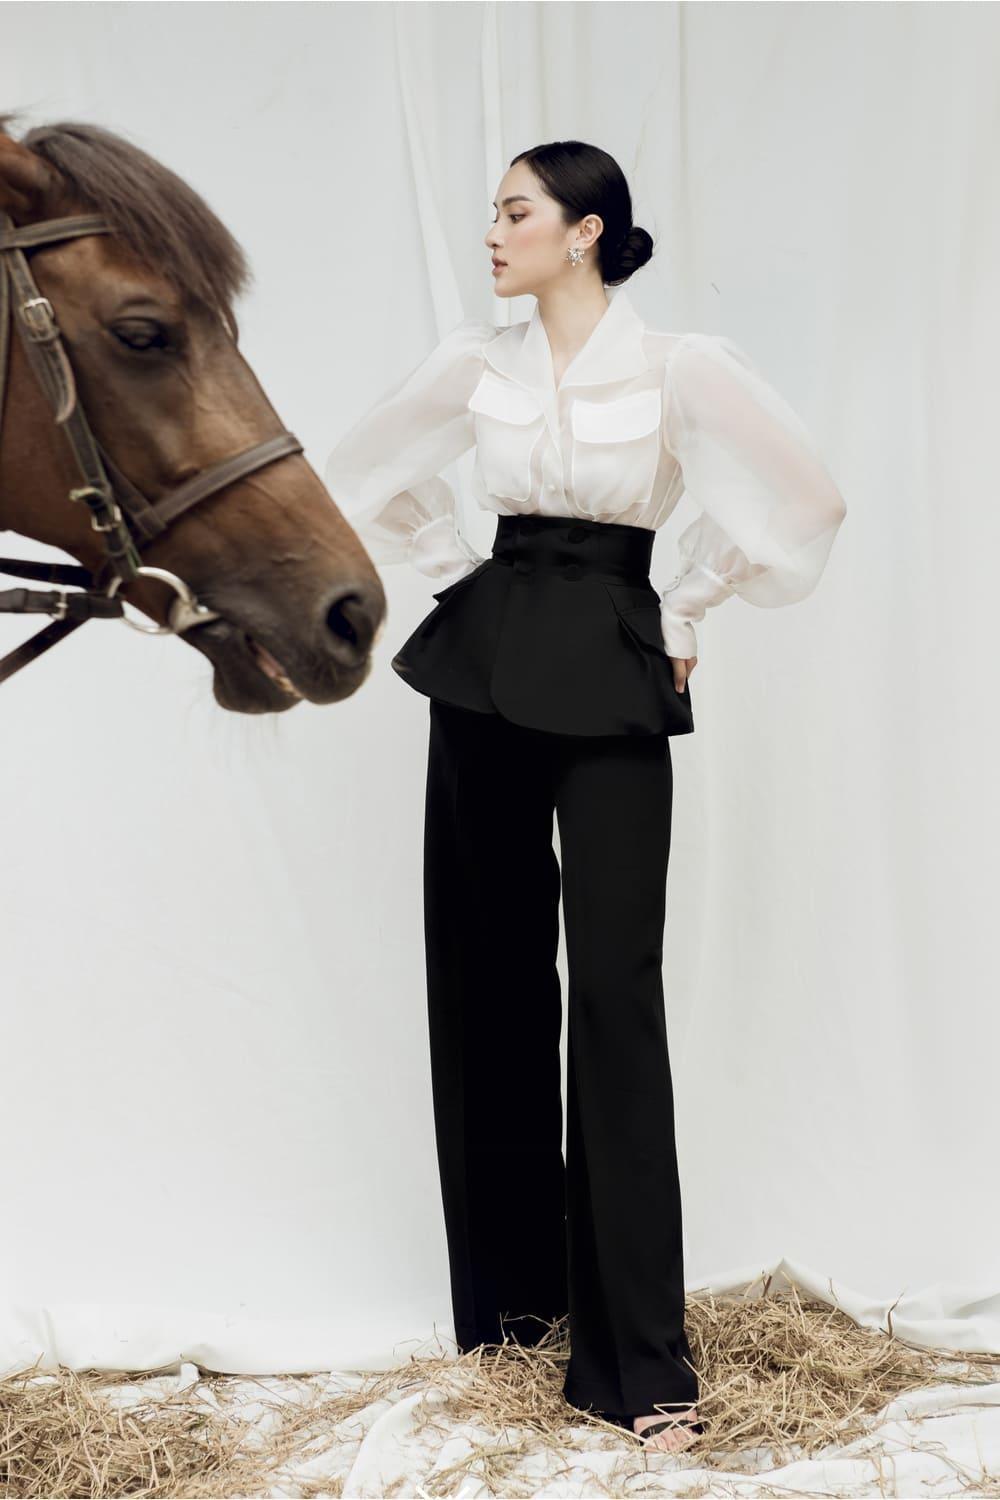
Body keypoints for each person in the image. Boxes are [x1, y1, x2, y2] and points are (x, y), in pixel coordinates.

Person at [325, 140, 846, 1454]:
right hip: (486, 659)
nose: (492, 234)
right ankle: (513, 1323)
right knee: (486, 974)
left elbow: (807, 500)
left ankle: (638, 1368)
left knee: (616, 993)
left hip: (613, 656)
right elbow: (361, 470)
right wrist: (455, 571)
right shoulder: (474, 363)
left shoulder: (681, 366)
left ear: (586, 231)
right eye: (492, 213)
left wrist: (688, 599)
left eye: (516, 212)